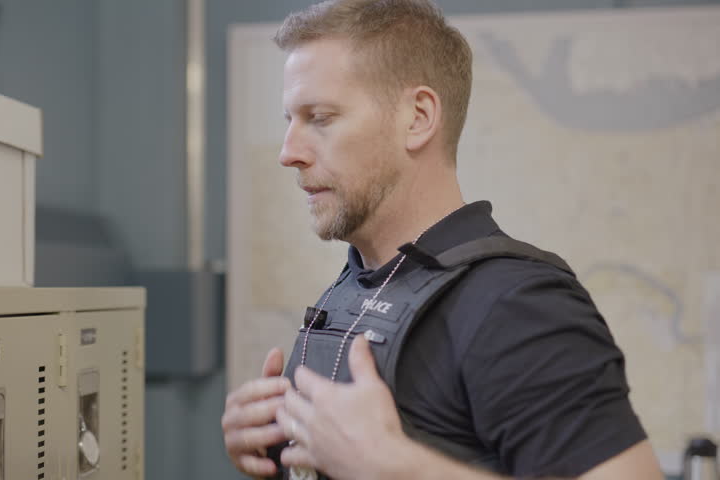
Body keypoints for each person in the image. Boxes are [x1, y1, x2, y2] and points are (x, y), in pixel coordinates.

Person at [221, 0, 665, 479]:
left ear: (417, 117)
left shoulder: (518, 305)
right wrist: (277, 445)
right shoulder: (363, 285)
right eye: (289, 119)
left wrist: (396, 468)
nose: (289, 153)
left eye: (320, 117)